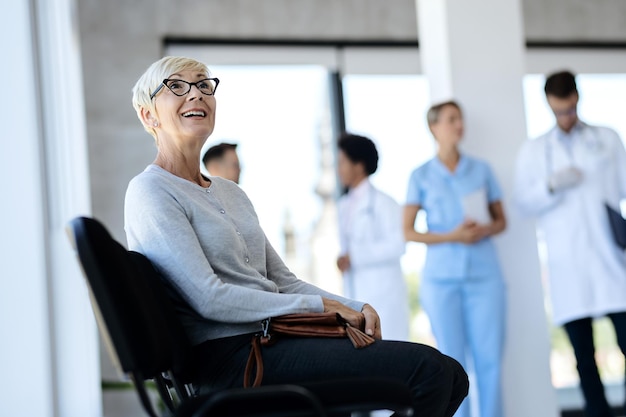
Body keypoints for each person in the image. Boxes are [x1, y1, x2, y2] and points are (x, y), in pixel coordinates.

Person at [124, 55, 468, 416]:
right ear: (149, 115)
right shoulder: (151, 191)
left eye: (203, 85)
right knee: (429, 373)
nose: (195, 94)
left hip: (275, 340)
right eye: (177, 86)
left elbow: (283, 281)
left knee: (454, 376)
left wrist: (354, 306)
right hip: (232, 360)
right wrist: (321, 307)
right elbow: (210, 299)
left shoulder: (232, 193)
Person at [514, 70, 626, 417]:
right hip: (568, 263)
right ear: (549, 104)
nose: (567, 117)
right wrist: (550, 185)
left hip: (609, 256)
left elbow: (622, 185)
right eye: (560, 111)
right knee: (583, 357)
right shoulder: (535, 151)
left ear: (577, 99)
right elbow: (522, 202)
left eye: (571, 109)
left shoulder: (605, 138)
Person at [403, 100, 507, 417]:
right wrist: (453, 236)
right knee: (450, 360)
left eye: (460, 119)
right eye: (451, 120)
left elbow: (502, 221)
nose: (458, 125)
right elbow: (408, 231)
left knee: (488, 359)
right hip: (441, 279)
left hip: (484, 276)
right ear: (434, 127)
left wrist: (484, 229)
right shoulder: (420, 175)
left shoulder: (482, 169)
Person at [336, 132, 410, 342]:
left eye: (343, 162)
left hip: (384, 293)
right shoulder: (343, 206)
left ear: (358, 165)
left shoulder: (385, 203)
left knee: (392, 354)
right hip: (356, 292)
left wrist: (355, 256)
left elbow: (398, 245)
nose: (339, 169)